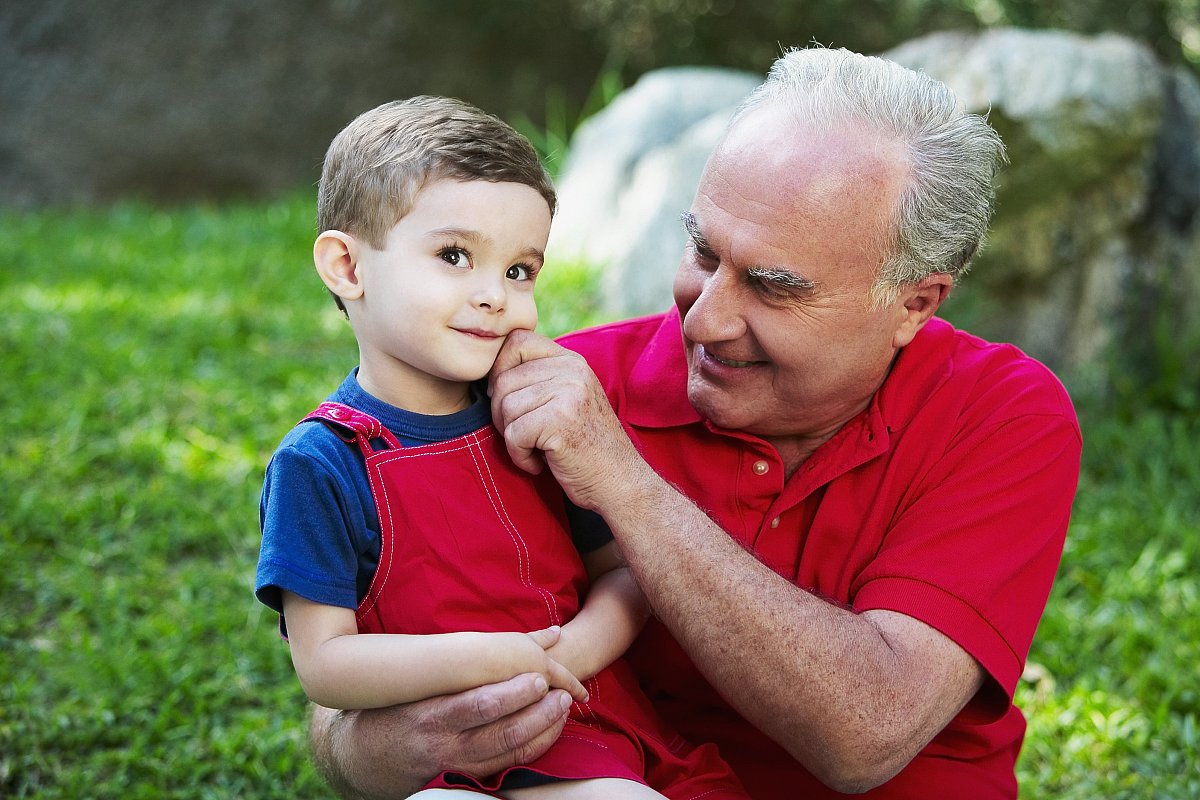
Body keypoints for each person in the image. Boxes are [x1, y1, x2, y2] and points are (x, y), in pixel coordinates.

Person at [309, 48, 1083, 800]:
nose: (704, 320)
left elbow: (867, 734)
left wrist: (622, 483)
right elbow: (348, 705)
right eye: (704, 252)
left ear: (913, 304)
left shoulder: (999, 414)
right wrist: (388, 748)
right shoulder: (550, 396)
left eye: (775, 288)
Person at [255, 96, 749, 799]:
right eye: (455, 256)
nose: (494, 295)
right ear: (347, 266)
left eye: (520, 270)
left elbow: (628, 575)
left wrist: (570, 651)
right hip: (435, 743)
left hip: (578, 723)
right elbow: (327, 665)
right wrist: (493, 658)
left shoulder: (537, 417)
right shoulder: (322, 462)